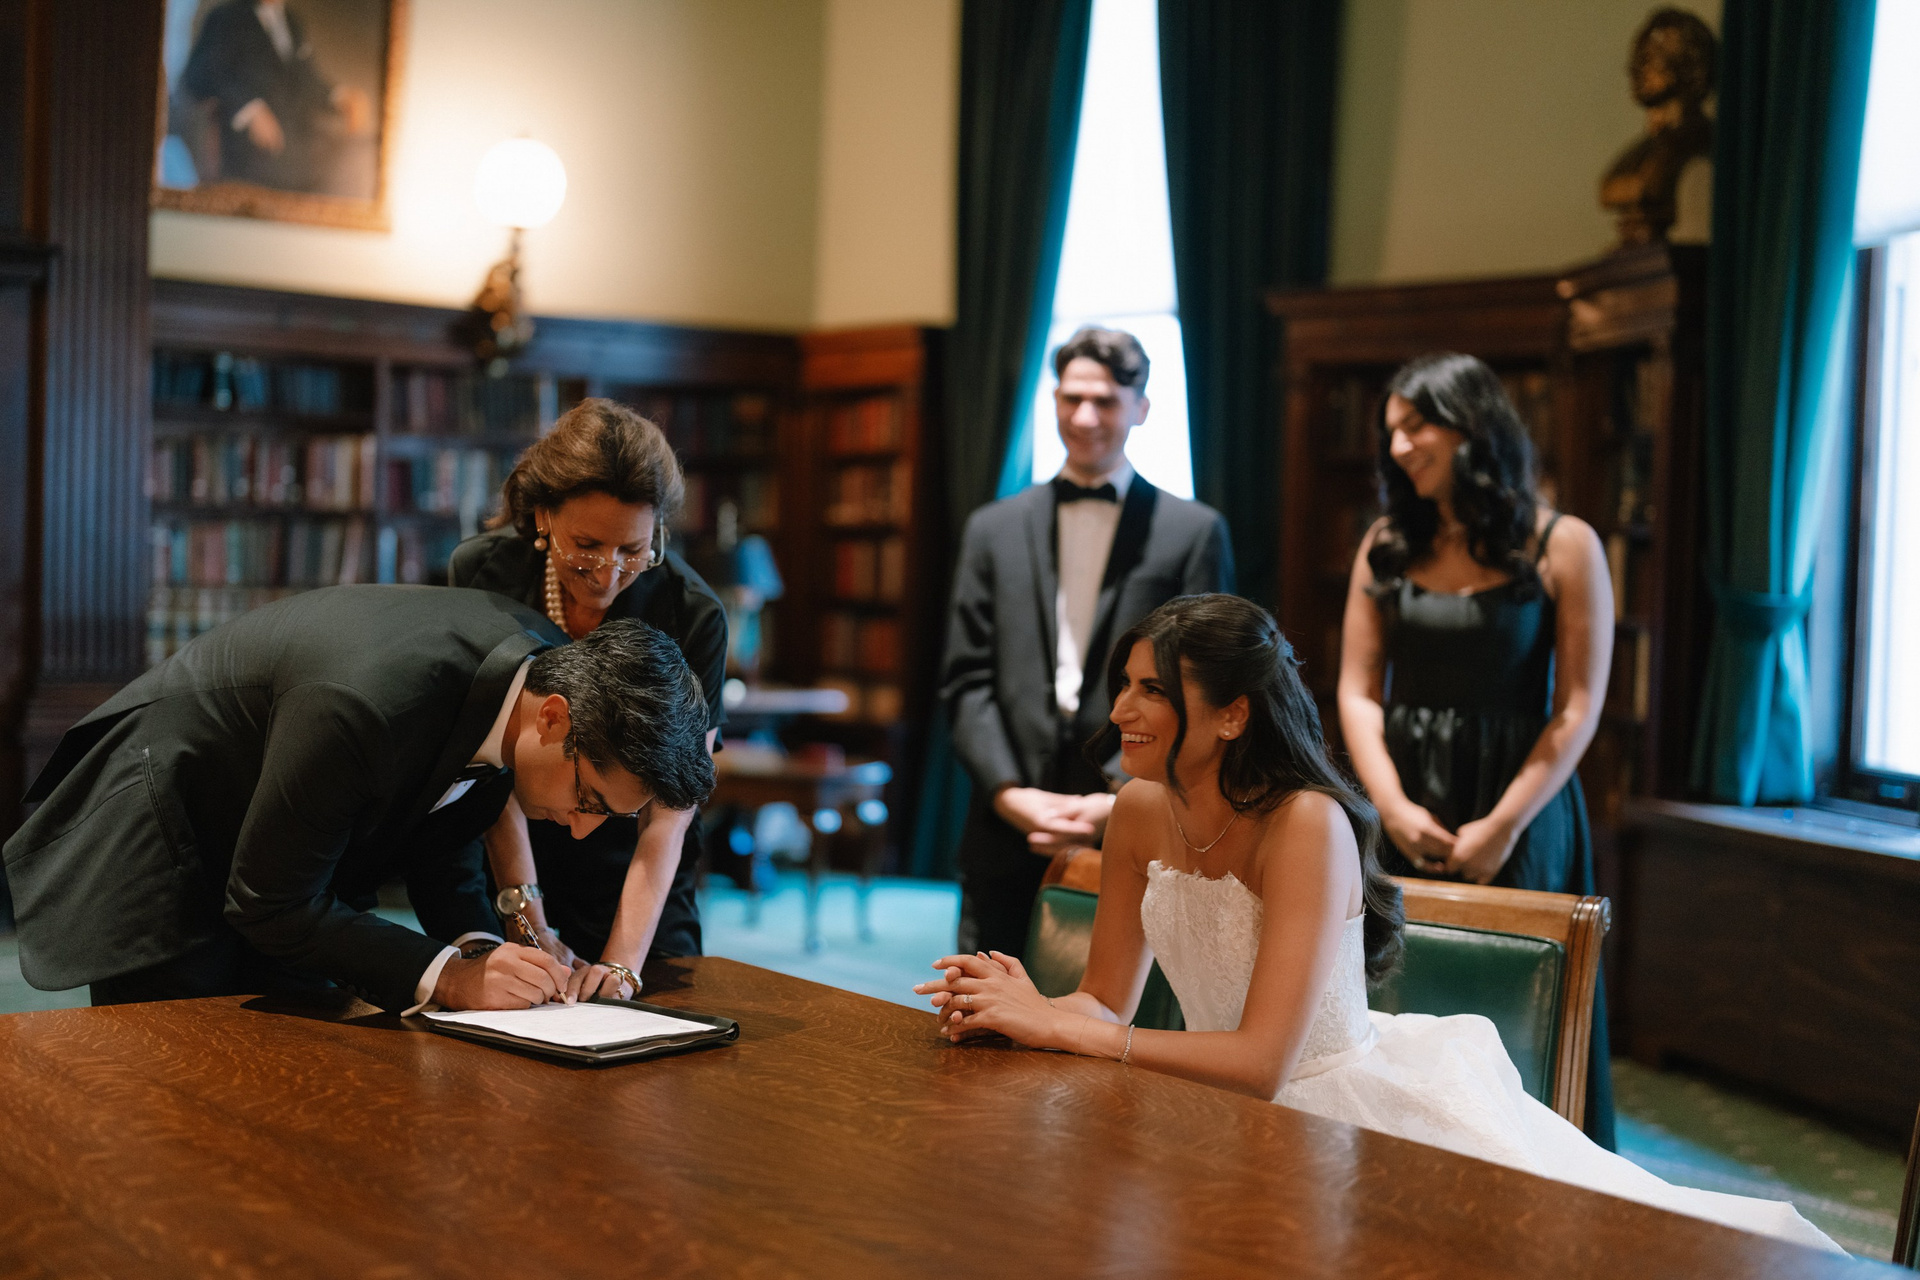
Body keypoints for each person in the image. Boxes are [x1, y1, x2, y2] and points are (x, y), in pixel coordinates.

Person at [915, 595, 1836, 1253]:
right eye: (1125, 685)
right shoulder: (1139, 809)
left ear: (1232, 715)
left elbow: (1263, 1064)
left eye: (1151, 690)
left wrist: (1065, 1032)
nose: (1120, 710)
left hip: (1339, 1119)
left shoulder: (1305, 824)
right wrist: (1030, 1006)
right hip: (1207, 1114)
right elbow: (1106, 1003)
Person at [2, 586, 713, 1013]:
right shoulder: (369, 707)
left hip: (287, 856)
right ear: (553, 719)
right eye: (589, 798)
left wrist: (482, 950)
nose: (583, 831)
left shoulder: (534, 681)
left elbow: (445, 833)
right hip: (170, 834)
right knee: (176, 1094)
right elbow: (270, 903)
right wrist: (453, 980)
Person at [1334, 352, 1617, 1147]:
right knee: (1401, 990)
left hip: (1520, 800)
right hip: (1403, 791)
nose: (1399, 446)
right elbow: (1357, 691)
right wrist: (1390, 805)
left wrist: (1504, 825)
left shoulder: (1565, 543)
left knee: (1524, 1000)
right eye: (1391, 430)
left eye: (1416, 425)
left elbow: (1579, 706)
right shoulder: (1386, 543)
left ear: (1474, 426)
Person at [941, 327, 1233, 957]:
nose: (1084, 417)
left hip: (1142, 819)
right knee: (983, 998)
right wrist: (1009, 793)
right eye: (1070, 398)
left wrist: (1120, 799)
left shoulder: (1193, 532)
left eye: (1104, 400)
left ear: (1141, 408)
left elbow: (1200, 689)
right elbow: (966, 681)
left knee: (1116, 1004)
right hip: (1005, 823)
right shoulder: (992, 528)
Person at [448, 398, 727, 1000]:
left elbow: (671, 812)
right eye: (586, 545)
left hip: (637, 875)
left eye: (633, 551)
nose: (607, 573)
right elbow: (484, 757)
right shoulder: (483, 574)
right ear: (543, 516)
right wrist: (528, 919)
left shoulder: (693, 614)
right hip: (511, 848)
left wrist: (622, 964)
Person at [176, 0, 374, 193]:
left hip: (299, 147)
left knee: (362, 156)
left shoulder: (291, 20)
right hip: (250, 155)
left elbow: (305, 78)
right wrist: (250, 109)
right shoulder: (226, 17)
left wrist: (339, 96)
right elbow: (199, 75)